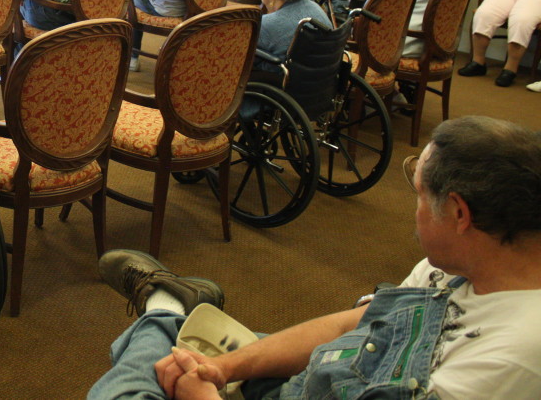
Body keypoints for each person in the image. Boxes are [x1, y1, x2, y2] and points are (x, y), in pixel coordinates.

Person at [90, 115, 541, 400]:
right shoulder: (460, 266)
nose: (414, 209)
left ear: (459, 213)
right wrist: (222, 368)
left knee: (144, 370)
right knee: (185, 354)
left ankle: (163, 306)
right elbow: (354, 324)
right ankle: (169, 313)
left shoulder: (512, 359)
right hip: (334, 374)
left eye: (420, 195)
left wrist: (201, 394)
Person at [251, 0, 330, 82]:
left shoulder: (268, 25)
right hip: (316, 88)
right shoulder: (318, 10)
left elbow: (241, 61)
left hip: (273, 92)